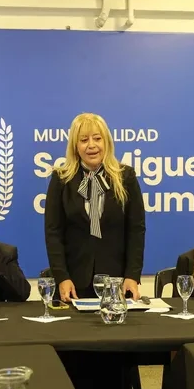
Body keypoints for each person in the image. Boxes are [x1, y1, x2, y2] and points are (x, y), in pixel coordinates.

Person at [44, 112, 146, 301]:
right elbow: (53, 233)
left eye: (97, 138)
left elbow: (136, 230)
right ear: (75, 146)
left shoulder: (126, 177)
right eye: (84, 140)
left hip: (116, 281)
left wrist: (132, 275)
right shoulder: (61, 179)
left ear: (106, 141)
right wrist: (62, 277)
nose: (91, 145)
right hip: (73, 283)